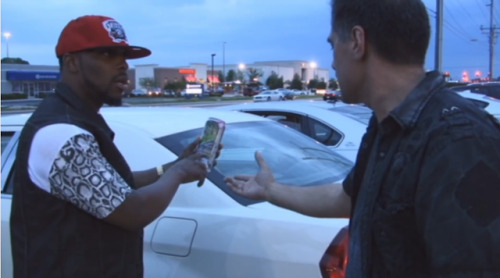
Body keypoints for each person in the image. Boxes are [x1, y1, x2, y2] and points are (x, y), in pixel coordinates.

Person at [225, 0, 500, 277]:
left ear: (357, 41)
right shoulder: (385, 126)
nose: (332, 63)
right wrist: (272, 190)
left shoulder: (458, 141)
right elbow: (349, 197)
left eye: (333, 46)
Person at [10, 15, 212, 278]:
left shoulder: (79, 120)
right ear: (72, 62)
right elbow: (132, 210)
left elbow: (115, 186)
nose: (122, 65)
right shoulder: (60, 133)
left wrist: (173, 166)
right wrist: (180, 173)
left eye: (124, 56)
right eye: (107, 54)